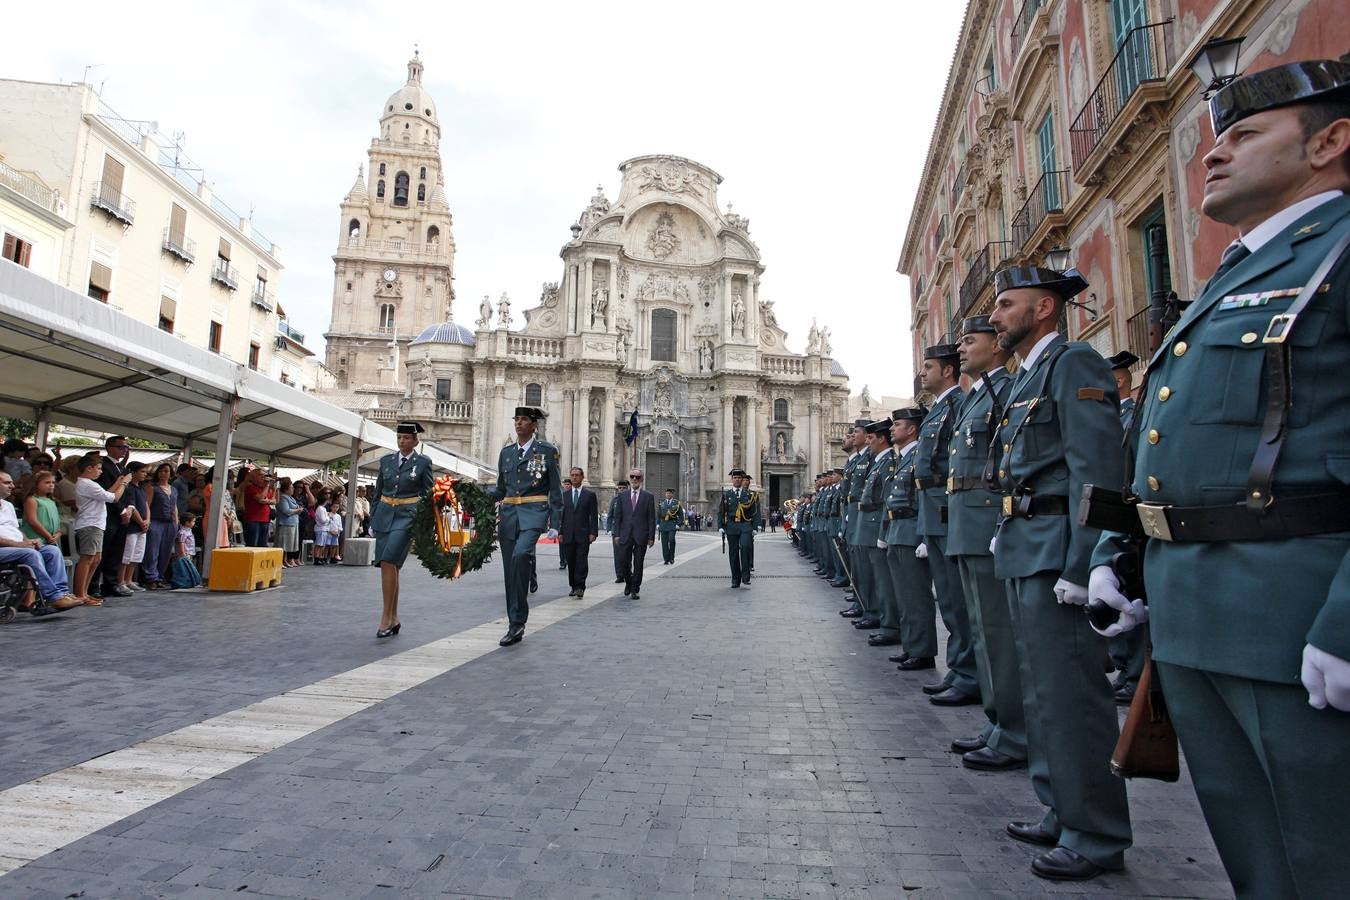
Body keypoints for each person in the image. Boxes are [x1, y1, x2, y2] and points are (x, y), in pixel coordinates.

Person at [1090, 59, 1350, 899]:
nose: (1214, 153)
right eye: (1213, 138)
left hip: (1296, 618)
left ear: (1331, 141)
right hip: (1194, 620)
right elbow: (1169, 439)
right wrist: (1117, 554)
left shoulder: (1336, 254)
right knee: (1257, 859)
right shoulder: (1232, 276)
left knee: (1326, 854)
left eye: (1243, 135)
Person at [989, 263, 1131, 881]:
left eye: (1006, 304)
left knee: (1073, 697)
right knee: (1043, 691)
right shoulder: (1029, 376)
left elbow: (1095, 470)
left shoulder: (1073, 363)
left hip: (1058, 553)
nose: (994, 316)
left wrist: (1085, 562)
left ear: (1044, 308)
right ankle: (1061, 807)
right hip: (1028, 545)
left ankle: (1095, 831)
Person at [946, 316, 1025, 771]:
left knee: (997, 633)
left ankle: (1011, 730)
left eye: (969, 340)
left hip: (994, 526)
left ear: (997, 346)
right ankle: (1000, 725)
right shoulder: (981, 395)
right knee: (983, 628)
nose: (961, 348)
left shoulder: (1006, 390)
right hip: (971, 526)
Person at [914, 343, 980, 707]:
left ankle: (969, 673)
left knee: (958, 600)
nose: (921, 373)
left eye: (928, 367)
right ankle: (959, 669)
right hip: (937, 512)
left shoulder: (956, 406)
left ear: (948, 371)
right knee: (952, 602)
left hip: (951, 512)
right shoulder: (941, 409)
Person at [486, 407, 562, 646]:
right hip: (509, 515)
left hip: (534, 514)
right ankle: (515, 624)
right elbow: (501, 488)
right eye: (516, 419)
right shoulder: (506, 453)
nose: (519, 423)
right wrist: (476, 496)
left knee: (521, 555)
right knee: (510, 571)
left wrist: (556, 523)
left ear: (534, 425)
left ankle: (519, 619)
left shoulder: (547, 452)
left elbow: (555, 489)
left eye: (524, 420)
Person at [1102, 348, 1147, 705]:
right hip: (1106, 516)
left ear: (1117, 382)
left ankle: (1134, 672)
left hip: (1125, 516)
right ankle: (1122, 667)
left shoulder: (1132, 416)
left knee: (1127, 595)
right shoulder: (1111, 416)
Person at [370, 423, 436, 638]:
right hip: (384, 515)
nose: (402, 441)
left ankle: (385, 617)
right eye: (400, 437)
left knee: (389, 561)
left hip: (407, 517)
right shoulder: (386, 461)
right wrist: (373, 515)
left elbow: (428, 495)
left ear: (416, 440)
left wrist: (425, 523)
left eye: (407, 438)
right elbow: (378, 490)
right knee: (390, 567)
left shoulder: (423, 463)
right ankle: (394, 617)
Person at [881, 409, 933, 672]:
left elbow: (927, 496)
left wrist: (925, 536)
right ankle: (912, 645)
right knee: (903, 594)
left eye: (897, 425)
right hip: (898, 530)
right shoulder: (902, 458)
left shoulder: (918, 453)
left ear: (911, 429)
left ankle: (923, 650)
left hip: (912, 530)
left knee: (916, 595)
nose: (892, 429)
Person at [0, 470, 82, 612]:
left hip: (17, 547)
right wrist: (21, 545)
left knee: (52, 550)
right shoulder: (31, 500)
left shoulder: (7, 506)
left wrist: (29, 540)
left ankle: (62, 594)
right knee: (30, 554)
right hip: (5, 549)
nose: (13, 486)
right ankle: (53, 596)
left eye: (12, 482)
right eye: (7, 482)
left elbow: (16, 530)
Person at [856, 419, 898, 647]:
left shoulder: (888, 463)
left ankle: (890, 624)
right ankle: (884, 621)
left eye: (871, 438)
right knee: (875, 577)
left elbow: (887, 501)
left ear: (882, 439)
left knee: (883, 580)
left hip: (878, 526)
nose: (868, 443)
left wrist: (884, 531)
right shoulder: (879, 463)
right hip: (870, 525)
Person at [73, 453, 130, 605]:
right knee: (87, 559)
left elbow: (107, 494)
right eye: (98, 468)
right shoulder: (87, 483)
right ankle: (80, 593)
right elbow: (113, 498)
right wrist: (123, 484)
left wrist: (118, 483)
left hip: (96, 524)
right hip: (89, 524)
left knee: (96, 559)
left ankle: (84, 592)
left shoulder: (90, 483)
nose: (100, 471)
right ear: (88, 468)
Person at [94, 435, 132, 598]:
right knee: (103, 550)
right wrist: (121, 510)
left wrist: (129, 507)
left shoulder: (122, 468)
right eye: (121, 447)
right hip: (109, 514)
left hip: (122, 514)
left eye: (126, 448)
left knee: (117, 551)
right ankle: (94, 585)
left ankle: (111, 583)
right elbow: (107, 491)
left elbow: (127, 491)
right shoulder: (103, 466)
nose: (124, 450)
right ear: (109, 447)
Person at [612, 467, 656, 598]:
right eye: (632, 476)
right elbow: (618, 517)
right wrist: (617, 534)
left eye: (637, 477)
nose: (634, 479)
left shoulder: (648, 496)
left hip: (641, 535)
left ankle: (635, 589)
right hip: (625, 535)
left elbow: (651, 518)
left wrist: (651, 537)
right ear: (630, 478)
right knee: (623, 562)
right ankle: (628, 582)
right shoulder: (622, 496)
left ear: (641, 479)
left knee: (638, 563)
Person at [717, 468, 760, 588]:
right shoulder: (727, 494)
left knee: (746, 547)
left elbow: (755, 512)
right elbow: (721, 512)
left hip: (745, 525)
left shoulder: (749, 495)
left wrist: (755, 527)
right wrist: (720, 526)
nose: (737, 480)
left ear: (742, 480)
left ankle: (746, 576)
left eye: (739, 478)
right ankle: (735, 579)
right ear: (732, 480)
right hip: (731, 526)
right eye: (735, 478)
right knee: (734, 553)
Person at [559, 467, 598, 597]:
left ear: (582, 477)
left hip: (583, 534)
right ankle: (573, 586)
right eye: (572, 475)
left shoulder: (590, 495)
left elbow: (593, 515)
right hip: (568, 534)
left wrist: (593, 533)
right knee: (571, 561)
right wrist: (560, 532)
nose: (574, 477)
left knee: (581, 560)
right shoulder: (564, 495)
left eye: (577, 475)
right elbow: (562, 516)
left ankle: (580, 586)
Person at [141, 463, 180, 591]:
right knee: (152, 551)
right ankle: (151, 577)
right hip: (156, 521)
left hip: (170, 522)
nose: (163, 473)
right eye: (161, 471)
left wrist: (177, 522)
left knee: (166, 551)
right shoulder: (152, 487)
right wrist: (148, 520)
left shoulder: (173, 489)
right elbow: (147, 504)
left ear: (170, 474)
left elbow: (174, 506)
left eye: (166, 471)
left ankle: (159, 576)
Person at [118, 462, 149, 593]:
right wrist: (141, 521)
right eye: (142, 471)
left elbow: (146, 505)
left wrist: (148, 520)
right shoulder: (129, 488)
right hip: (132, 526)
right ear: (133, 472)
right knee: (127, 555)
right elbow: (132, 506)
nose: (145, 474)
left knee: (137, 555)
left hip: (142, 527)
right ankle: (121, 581)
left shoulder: (141, 488)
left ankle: (129, 580)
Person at [242, 467, 276, 548]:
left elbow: (274, 500)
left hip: (265, 520)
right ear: (253, 477)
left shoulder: (264, 488)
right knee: (253, 544)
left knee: (263, 545)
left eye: (264, 475)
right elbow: (261, 498)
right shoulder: (251, 487)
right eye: (260, 475)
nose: (263, 477)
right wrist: (267, 485)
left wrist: (267, 501)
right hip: (253, 520)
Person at [274, 478, 302, 567]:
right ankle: (280, 561)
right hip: (285, 524)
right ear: (286, 489)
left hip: (293, 523)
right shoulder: (283, 498)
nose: (293, 489)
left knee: (289, 544)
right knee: (283, 543)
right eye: (291, 488)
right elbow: (286, 510)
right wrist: (297, 510)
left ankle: (285, 560)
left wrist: (297, 510)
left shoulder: (291, 498)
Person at [607, 479, 627, 583]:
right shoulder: (614, 500)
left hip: (628, 530)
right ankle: (619, 575)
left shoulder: (630, 500)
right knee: (617, 554)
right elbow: (610, 515)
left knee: (627, 554)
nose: (621, 490)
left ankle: (627, 573)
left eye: (624, 488)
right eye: (620, 488)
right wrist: (609, 529)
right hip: (616, 530)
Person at [657, 488, 682, 564]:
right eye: (667, 493)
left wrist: (678, 524)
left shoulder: (676, 503)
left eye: (669, 493)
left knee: (671, 540)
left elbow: (681, 515)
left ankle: (672, 557)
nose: (668, 495)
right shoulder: (662, 503)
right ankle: (666, 559)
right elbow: (658, 515)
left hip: (672, 524)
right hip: (663, 524)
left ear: (672, 494)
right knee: (664, 543)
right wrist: (658, 524)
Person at [558, 477, 572, 569]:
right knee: (561, 544)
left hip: (571, 523)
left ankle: (569, 560)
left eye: (568, 484)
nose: (566, 486)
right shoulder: (560, 496)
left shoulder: (573, 495)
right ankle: (562, 561)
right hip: (561, 523)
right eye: (565, 484)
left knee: (570, 544)